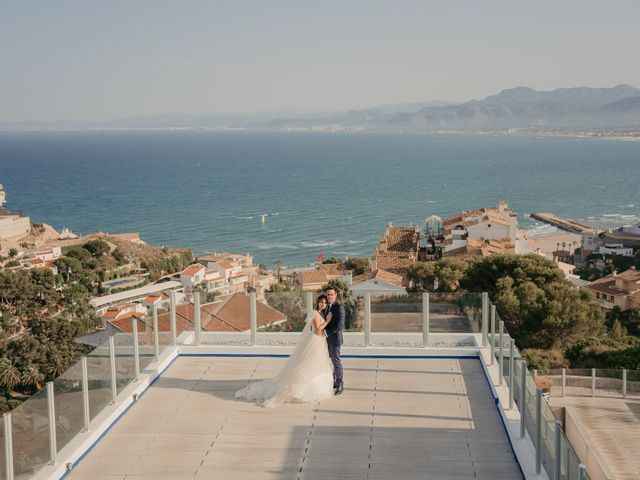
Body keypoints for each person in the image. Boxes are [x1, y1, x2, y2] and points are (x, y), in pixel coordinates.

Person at [234, 294, 334, 407]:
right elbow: (317, 330)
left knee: (316, 364)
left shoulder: (322, 313)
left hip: (319, 342)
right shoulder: (315, 313)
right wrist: (327, 321)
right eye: (321, 302)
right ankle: (298, 390)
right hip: (315, 340)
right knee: (307, 364)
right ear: (317, 302)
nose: (323, 304)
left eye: (325, 303)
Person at [324, 287, 345, 395]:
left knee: (336, 361)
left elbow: (340, 325)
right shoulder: (326, 307)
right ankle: (332, 381)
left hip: (335, 339)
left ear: (335, 295)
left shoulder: (339, 307)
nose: (330, 296)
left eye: (331, 294)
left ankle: (340, 383)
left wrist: (327, 332)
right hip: (325, 340)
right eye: (328, 295)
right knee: (328, 362)